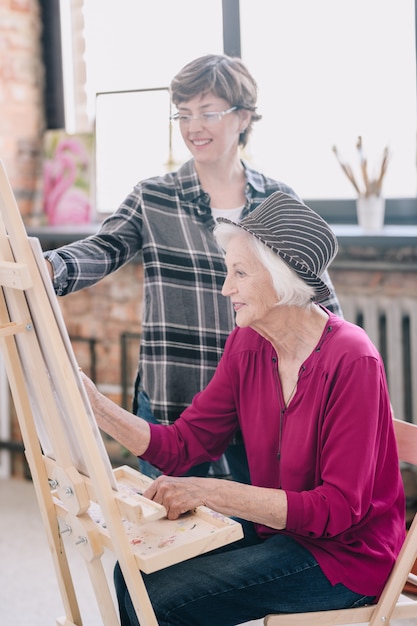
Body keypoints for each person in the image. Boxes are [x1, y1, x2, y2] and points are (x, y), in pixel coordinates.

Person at [81, 191, 405, 626]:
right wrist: (96, 405)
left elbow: (338, 510)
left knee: (163, 601)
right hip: (279, 529)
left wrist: (209, 492)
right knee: (132, 574)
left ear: (281, 278)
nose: (225, 288)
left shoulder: (352, 358)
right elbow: (183, 445)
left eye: (240, 273)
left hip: (346, 557)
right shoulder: (249, 343)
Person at [44, 53, 342, 482]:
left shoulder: (279, 199)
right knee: (169, 539)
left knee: (248, 537)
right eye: (182, 114)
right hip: (173, 402)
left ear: (242, 117)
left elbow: (322, 299)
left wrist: (346, 381)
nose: (192, 127)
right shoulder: (153, 197)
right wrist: (48, 268)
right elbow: (104, 247)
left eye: (207, 112)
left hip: (262, 411)